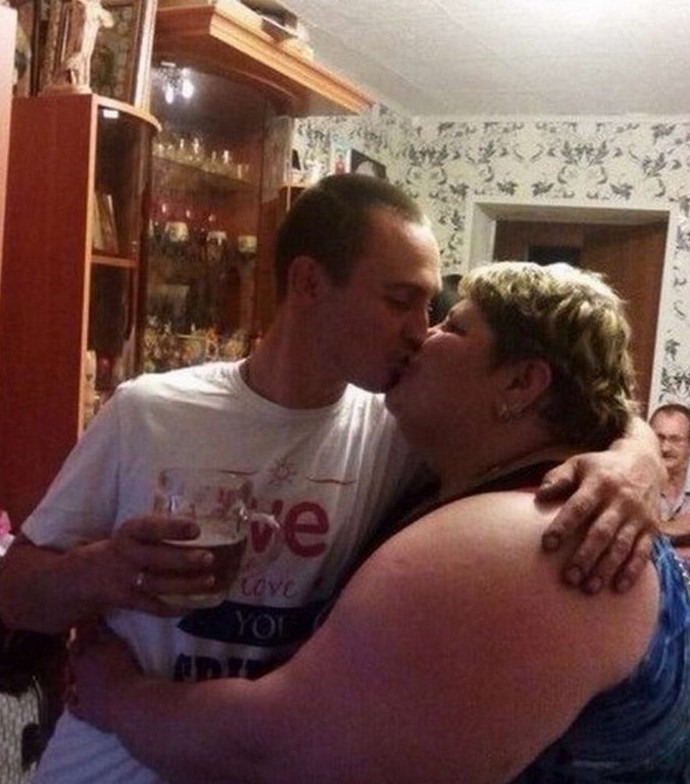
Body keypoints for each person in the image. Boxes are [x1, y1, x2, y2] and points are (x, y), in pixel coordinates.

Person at [0, 176, 660, 782]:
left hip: (250, 756)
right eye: (400, 301)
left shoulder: (403, 429)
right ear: (310, 283)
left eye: (433, 309)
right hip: (103, 765)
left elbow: (561, 415)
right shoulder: (149, 410)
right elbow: (15, 592)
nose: (420, 332)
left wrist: (636, 458)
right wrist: (100, 572)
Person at [650, 402, 690, 555]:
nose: (665, 448)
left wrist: (651, 528)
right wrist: (673, 528)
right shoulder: (633, 482)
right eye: (659, 438)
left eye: (675, 439)